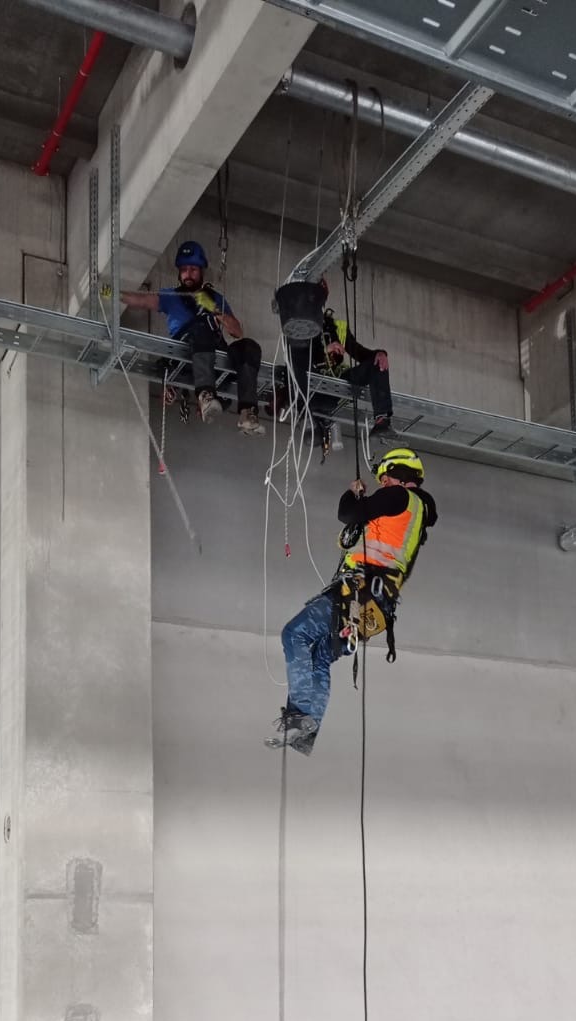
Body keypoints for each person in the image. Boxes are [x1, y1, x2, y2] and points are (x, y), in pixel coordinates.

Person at [266, 448, 437, 757]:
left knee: (295, 634)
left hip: (358, 593)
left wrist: (352, 493)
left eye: (385, 478)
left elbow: (348, 512)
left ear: (398, 474)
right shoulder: (414, 514)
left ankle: (301, 714)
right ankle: (307, 731)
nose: (383, 484)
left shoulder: (400, 497)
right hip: (374, 606)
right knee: (319, 655)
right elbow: (357, 535)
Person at [118, 240, 265, 435]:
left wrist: (212, 307)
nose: (188, 274)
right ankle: (205, 395)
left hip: (212, 350)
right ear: (179, 273)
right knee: (201, 328)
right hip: (187, 350)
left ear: (201, 271)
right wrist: (112, 293)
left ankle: (247, 411)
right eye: (184, 270)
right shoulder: (171, 296)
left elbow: (237, 332)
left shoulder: (214, 298)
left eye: (193, 270)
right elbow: (141, 300)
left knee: (249, 346)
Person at [286, 282, 393, 447]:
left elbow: (359, 352)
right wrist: (324, 351)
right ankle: (309, 419)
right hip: (308, 390)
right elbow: (296, 358)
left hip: (334, 387)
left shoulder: (336, 327)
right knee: (299, 359)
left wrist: (379, 354)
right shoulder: (297, 324)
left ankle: (381, 421)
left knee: (377, 362)